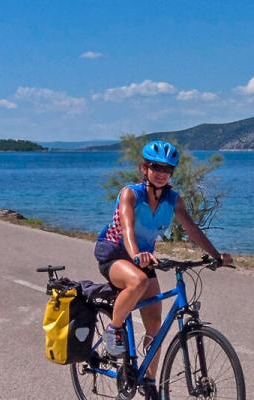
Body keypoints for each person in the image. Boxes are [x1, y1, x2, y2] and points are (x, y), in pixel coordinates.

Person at [93, 140, 233, 376]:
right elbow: (127, 228)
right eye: (156, 167)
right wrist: (136, 253)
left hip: (143, 259)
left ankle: (148, 382)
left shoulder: (173, 200)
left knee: (154, 327)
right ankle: (114, 329)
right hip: (115, 252)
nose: (161, 174)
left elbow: (192, 229)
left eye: (167, 169)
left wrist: (216, 255)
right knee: (138, 281)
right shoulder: (131, 194)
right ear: (143, 168)